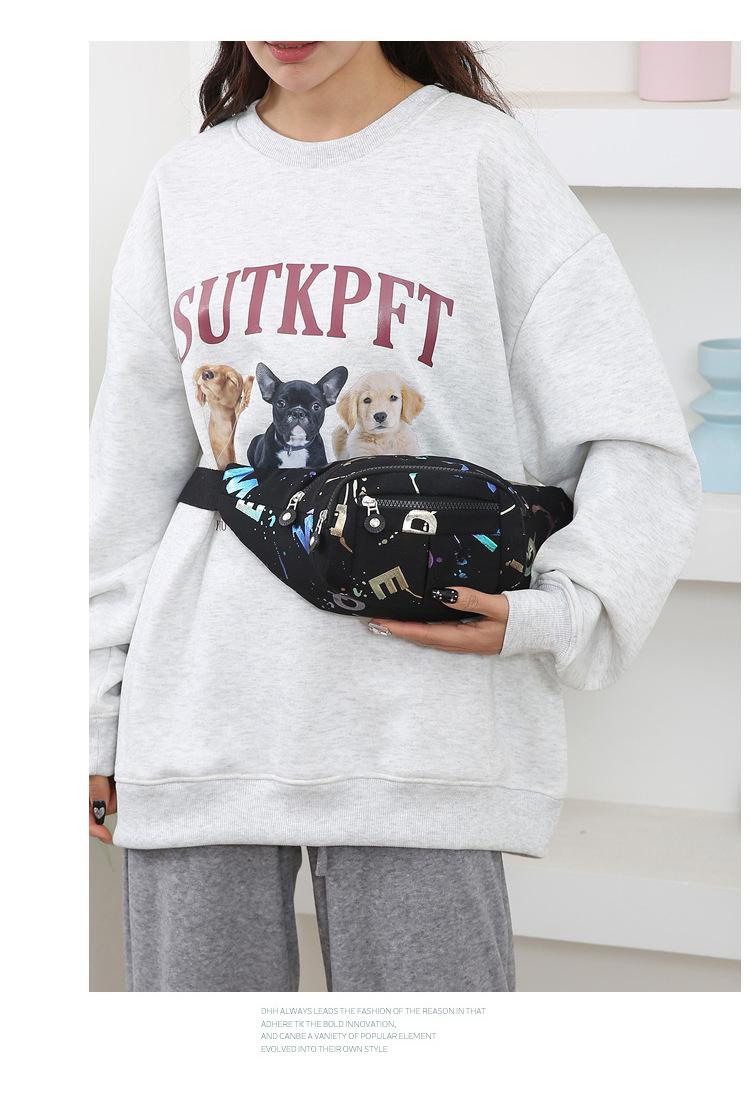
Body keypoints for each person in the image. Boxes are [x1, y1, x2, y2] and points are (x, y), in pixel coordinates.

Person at [89, 41, 701, 992]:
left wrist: (557, 613)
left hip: (427, 736)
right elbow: (125, 479)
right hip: (197, 720)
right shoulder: (188, 184)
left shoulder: (484, 164)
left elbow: (638, 440)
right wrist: (90, 714)